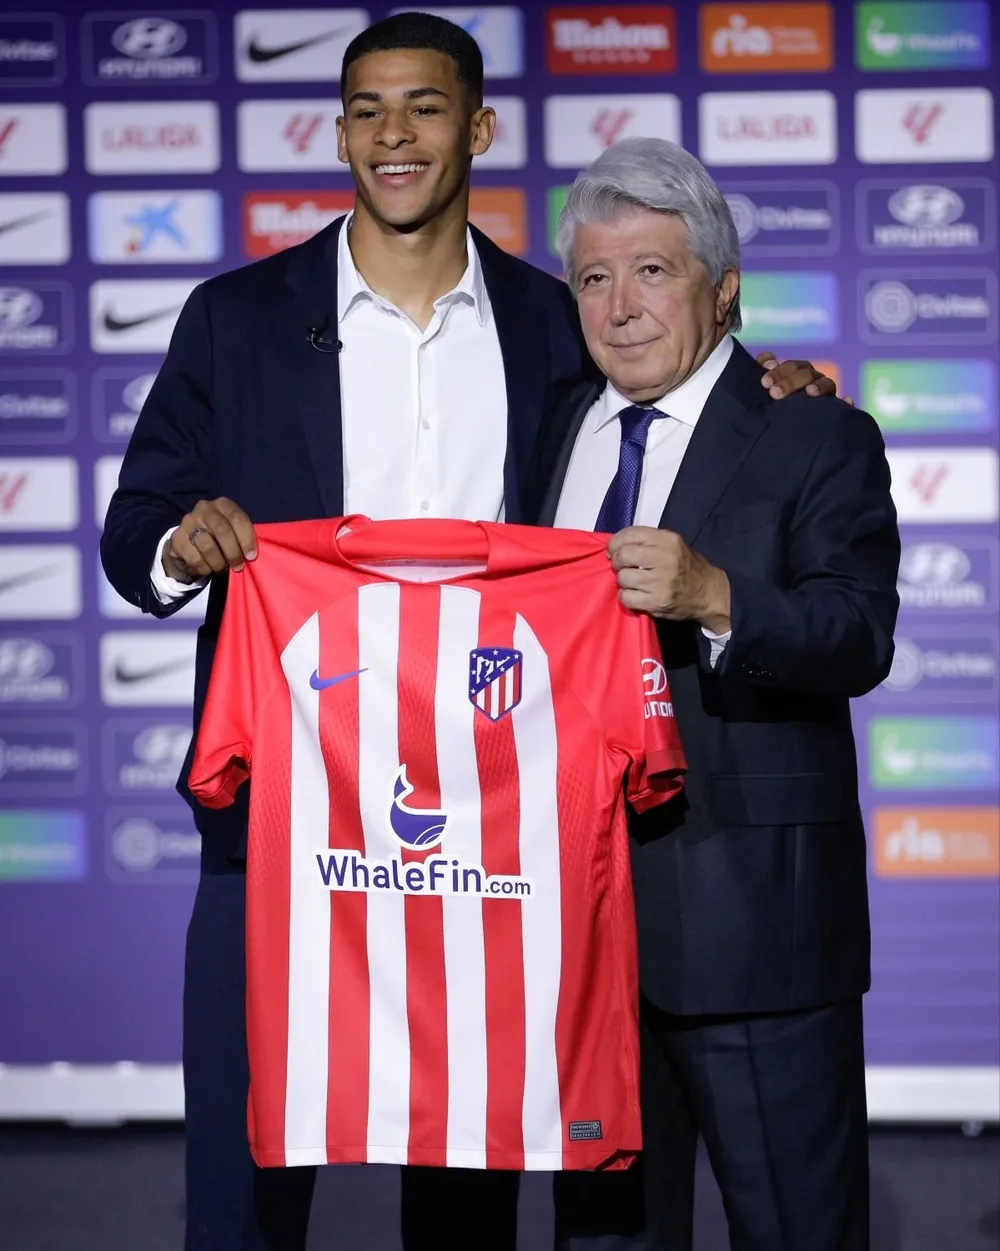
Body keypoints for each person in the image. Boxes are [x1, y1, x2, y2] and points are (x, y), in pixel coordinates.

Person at [100, 12, 841, 1251]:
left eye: (424, 107)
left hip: (489, 839)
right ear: (339, 132)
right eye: (366, 110)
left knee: (467, 1194)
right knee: (239, 1193)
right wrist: (185, 546)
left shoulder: (559, 323)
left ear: (479, 129)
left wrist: (780, 387)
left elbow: (682, 395)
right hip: (280, 824)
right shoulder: (232, 316)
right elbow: (135, 530)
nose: (393, 136)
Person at [529, 137, 901, 1251]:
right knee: (601, 1236)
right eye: (595, 277)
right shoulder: (549, 429)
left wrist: (716, 595)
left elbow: (857, 635)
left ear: (723, 289)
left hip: (757, 934)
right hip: (574, 935)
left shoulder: (815, 433)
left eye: (654, 270)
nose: (620, 304)